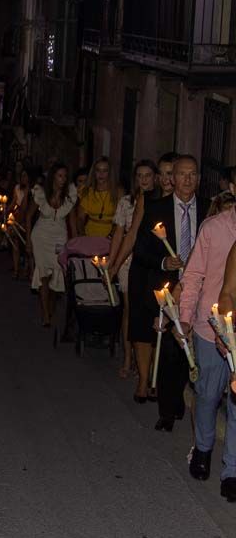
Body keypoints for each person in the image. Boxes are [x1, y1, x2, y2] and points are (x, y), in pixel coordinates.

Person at [132, 154, 200, 432]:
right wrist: (163, 262)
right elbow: (142, 251)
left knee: (187, 348)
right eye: (182, 174)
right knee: (171, 348)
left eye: (192, 174)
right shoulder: (156, 208)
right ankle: (168, 410)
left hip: (196, 290)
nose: (187, 180)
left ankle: (177, 398)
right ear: (172, 179)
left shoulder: (208, 210)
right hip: (167, 289)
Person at [182, 194, 236, 501]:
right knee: (207, 394)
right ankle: (202, 450)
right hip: (210, 327)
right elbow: (193, 276)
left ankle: (232, 471)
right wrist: (186, 318)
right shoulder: (214, 228)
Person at [116, 154, 177, 399]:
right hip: (144, 268)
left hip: (169, 270)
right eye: (162, 173)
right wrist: (114, 265)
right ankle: (143, 379)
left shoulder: (182, 203)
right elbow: (131, 235)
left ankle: (156, 375)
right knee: (141, 325)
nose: (166, 178)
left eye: (170, 172)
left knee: (163, 326)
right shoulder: (147, 200)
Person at [108, 160, 157, 379]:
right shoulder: (126, 203)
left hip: (149, 262)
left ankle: (144, 361)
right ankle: (128, 357)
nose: (144, 179)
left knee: (147, 314)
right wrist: (112, 263)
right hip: (128, 262)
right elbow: (121, 234)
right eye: (140, 175)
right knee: (130, 310)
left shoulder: (158, 202)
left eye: (148, 175)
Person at [24, 163, 77, 328]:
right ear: (53, 176)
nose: (63, 179)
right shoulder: (41, 193)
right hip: (41, 236)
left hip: (59, 237)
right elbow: (28, 216)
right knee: (44, 276)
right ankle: (46, 314)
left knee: (56, 275)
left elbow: (73, 222)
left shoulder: (69, 197)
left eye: (65, 176)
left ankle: (50, 306)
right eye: (60, 175)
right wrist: (27, 240)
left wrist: (75, 244)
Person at [73, 157, 121, 238]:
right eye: (98, 170)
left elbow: (120, 220)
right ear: (94, 172)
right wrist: (82, 235)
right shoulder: (87, 191)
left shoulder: (118, 192)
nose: (101, 174)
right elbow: (80, 218)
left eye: (105, 171)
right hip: (89, 234)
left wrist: (110, 236)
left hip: (111, 237)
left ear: (110, 173)